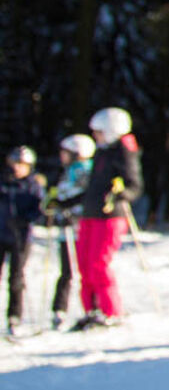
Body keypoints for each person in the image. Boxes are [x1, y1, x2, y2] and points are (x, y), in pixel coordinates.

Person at [72, 107, 142, 330]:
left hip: (109, 215)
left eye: (99, 132)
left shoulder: (123, 150)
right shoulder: (102, 152)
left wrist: (121, 192)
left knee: (98, 263)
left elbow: (134, 185)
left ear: (112, 131)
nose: (95, 136)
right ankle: (91, 310)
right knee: (84, 263)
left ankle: (111, 311)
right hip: (90, 213)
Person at [46, 134, 93, 326]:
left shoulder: (85, 172)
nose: (61, 156)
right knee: (66, 271)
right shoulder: (67, 172)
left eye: (65, 153)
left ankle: (91, 307)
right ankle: (59, 309)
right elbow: (59, 194)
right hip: (65, 228)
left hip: (80, 228)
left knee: (83, 269)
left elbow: (84, 197)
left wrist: (66, 205)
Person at [2, 146, 46, 338]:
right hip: (1, 234)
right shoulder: (3, 182)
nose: (18, 168)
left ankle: (14, 316)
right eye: (15, 164)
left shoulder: (33, 185)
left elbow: (39, 209)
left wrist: (25, 219)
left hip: (20, 237)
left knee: (16, 277)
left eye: (22, 165)